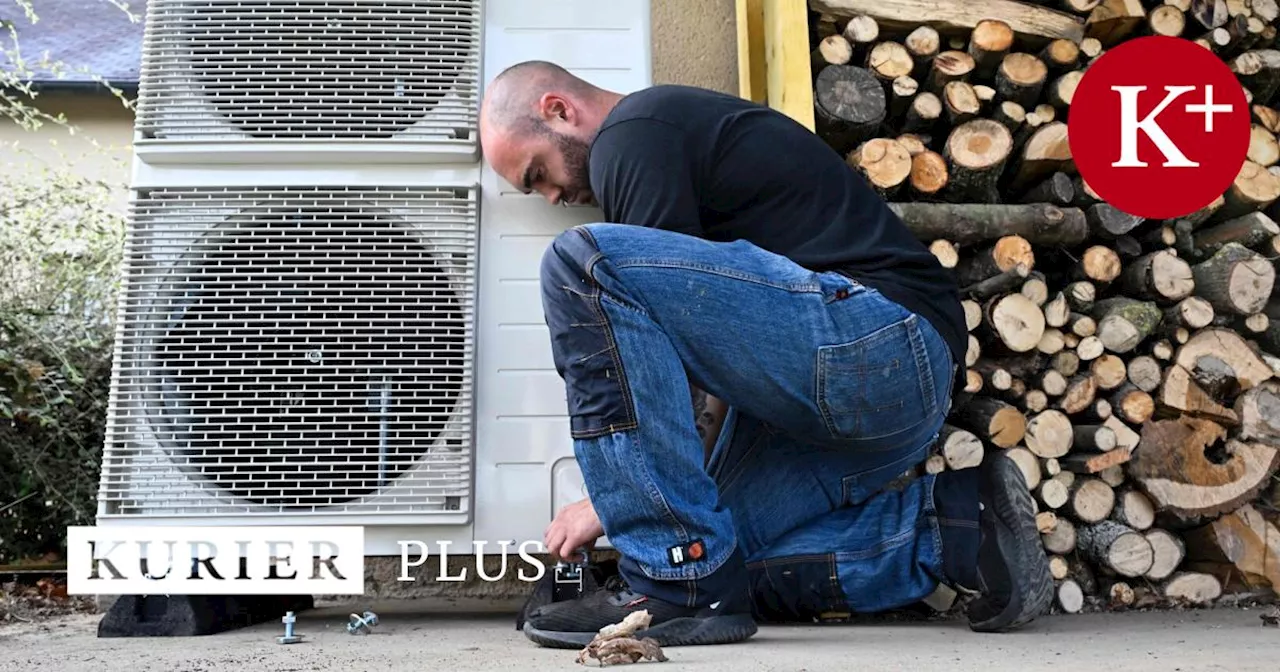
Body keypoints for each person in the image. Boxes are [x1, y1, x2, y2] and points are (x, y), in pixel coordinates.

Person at [478, 60, 1052, 649]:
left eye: (537, 173)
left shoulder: (635, 132)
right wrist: (674, 520)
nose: (551, 196)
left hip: (879, 345)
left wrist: (612, 502)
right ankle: (955, 527)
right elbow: (707, 351)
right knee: (712, 560)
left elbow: (669, 362)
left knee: (580, 265)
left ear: (558, 110)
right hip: (880, 400)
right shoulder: (660, 138)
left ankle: (669, 577)